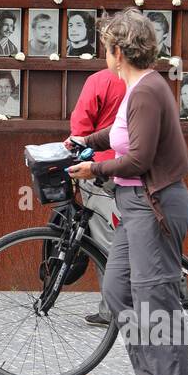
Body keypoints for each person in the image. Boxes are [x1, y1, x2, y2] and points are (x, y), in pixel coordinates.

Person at [68, 9, 188, 375]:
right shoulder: (141, 85)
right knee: (119, 291)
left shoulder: (144, 90)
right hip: (134, 204)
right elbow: (120, 133)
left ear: (118, 52)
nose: (104, 54)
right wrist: (85, 140)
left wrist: (95, 168)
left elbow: (137, 157)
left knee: (157, 300)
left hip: (152, 205)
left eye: (106, 47)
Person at [67, 61, 127, 327]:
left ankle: (110, 309)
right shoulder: (145, 81)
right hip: (134, 170)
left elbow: (81, 127)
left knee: (106, 241)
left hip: (97, 170)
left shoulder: (99, 80)